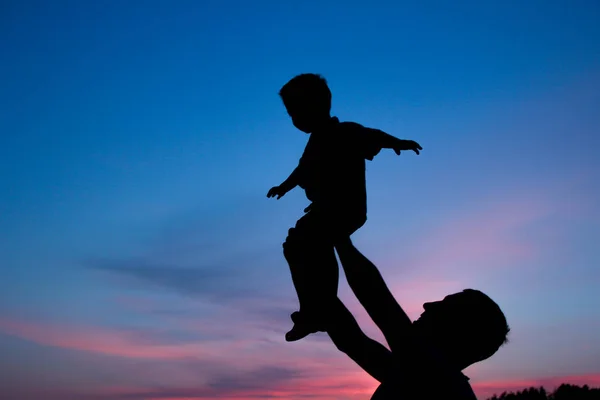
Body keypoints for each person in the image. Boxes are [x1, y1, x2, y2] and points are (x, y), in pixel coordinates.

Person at [267, 73, 422, 341]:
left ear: (318, 105)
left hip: (344, 208)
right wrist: (284, 186)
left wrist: (397, 143)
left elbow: (373, 135)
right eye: (290, 113)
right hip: (323, 209)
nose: (294, 119)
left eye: (297, 110)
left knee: (318, 243)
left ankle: (320, 305)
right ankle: (311, 307)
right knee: (294, 246)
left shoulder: (344, 131)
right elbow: (302, 170)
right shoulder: (314, 142)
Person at [302, 237, 510, 399]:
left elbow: (375, 299)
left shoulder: (436, 381)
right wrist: (306, 265)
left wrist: (338, 237)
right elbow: (351, 339)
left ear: (458, 330)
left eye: (445, 306)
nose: (428, 305)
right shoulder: (417, 376)